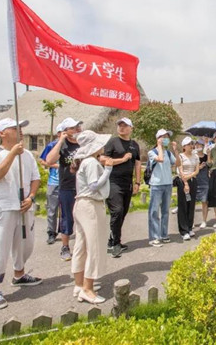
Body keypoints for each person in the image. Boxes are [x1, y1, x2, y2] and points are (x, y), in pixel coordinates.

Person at [0, 118, 42, 310]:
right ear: (2, 133)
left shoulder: (27, 155)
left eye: (21, 128)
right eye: (15, 128)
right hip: (3, 207)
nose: (20, 131)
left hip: (24, 206)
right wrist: (13, 154)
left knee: (25, 244)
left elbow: (35, 178)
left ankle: (19, 274)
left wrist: (31, 197)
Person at [69, 130, 113, 304]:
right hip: (91, 205)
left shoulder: (85, 162)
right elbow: (94, 185)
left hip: (81, 204)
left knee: (81, 246)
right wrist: (108, 170)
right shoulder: (92, 163)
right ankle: (87, 288)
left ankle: (79, 284)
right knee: (94, 247)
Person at [101, 118, 141, 258]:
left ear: (131, 128)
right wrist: (122, 159)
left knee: (122, 213)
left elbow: (137, 164)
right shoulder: (112, 142)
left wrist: (137, 182)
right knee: (117, 211)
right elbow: (103, 159)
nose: (122, 128)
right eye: (120, 125)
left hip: (127, 183)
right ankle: (115, 244)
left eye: (125, 126)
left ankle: (113, 239)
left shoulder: (134, 145)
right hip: (113, 182)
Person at [46, 117, 83, 261]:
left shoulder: (82, 143)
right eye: (72, 128)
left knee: (82, 218)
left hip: (82, 187)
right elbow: (49, 160)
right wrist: (61, 140)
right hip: (67, 186)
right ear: (65, 131)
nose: (76, 130)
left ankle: (81, 247)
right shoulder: (62, 145)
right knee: (66, 218)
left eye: (77, 127)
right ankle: (65, 247)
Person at [147, 129, 177, 247]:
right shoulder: (152, 152)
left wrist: (175, 150)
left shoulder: (168, 153)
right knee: (154, 211)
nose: (166, 139)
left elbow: (177, 163)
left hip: (168, 184)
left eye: (167, 137)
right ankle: (154, 237)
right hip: (156, 185)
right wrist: (159, 145)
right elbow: (160, 159)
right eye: (163, 137)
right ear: (158, 138)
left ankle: (164, 234)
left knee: (165, 211)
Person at [39, 124, 63, 245]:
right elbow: (42, 161)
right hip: (54, 181)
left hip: (67, 182)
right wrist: (56, 166)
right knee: (52, 209)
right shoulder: (51, 145)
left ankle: (63, 230)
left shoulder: (71, 146)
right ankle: (51, 232)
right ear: (58, 133)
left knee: (66, 209)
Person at [175, 137, 199, 240]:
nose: (191, 146)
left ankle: (189, 227)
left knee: (191, 205)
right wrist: (185, 183)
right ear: (184, 146)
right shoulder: (181, 156)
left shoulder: (195, 156)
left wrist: (189, 177)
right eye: (188, 144)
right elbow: (180, 170)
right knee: (183, 205)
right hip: (182, 182)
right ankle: (183, 230)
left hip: (192, 180)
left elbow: (196, 170)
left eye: (191, 144)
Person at [194, 139, 210, 229]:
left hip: (205, 181)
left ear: (203, 146)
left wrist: (209, 155)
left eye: (199, 144)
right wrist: (199, 167)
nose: (197, 146)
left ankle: (204, 221)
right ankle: (192, 221)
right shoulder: (193, 156)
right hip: (195, 181)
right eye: (196, 145)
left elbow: (210, 165)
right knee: (192, 202)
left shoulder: (206, 156)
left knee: (204, 201)